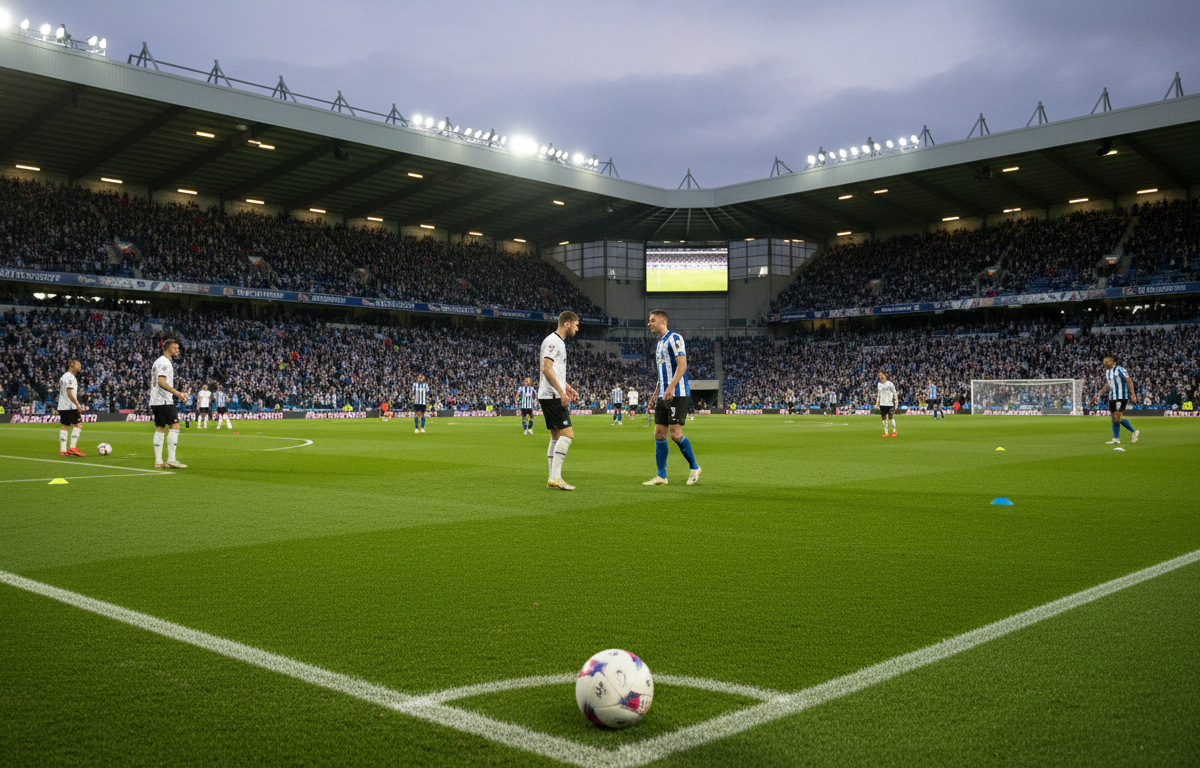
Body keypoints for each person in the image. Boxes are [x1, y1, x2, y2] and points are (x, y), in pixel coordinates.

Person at [644, 310, 701, 486]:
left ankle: (694, 467)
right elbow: (662, 374)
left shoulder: (675, 338)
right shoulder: (660, 343)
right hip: (663, 394)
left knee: (676, 435)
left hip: (677, 393)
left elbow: (682, 366)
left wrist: (671, 387)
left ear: (662, 321)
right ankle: (661, 476)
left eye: (652, 320)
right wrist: (655, 394)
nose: (649, 323)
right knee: (659, 433)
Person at [539, 311, 580, 490]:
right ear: (567, 323)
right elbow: (546, 369)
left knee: (556, 436)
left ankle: (552, 478)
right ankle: (556, 477)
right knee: (567, 435)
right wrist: (561, 393)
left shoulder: (556, 341)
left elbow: (553, 370)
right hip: (553, 396)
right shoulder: (554, 341)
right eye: (576, 325)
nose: (577, 329)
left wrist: (567, 387)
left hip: (549, 394)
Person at [150, 338, 188, 468]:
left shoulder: (158, 361)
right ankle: (171, 459)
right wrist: (177, 393)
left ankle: (159, 461)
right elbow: (161, 381)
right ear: (169, 348)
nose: (178, 350)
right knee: (175, 425)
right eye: (175, 348)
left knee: (160, 427)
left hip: (155, 400)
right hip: (164, 400)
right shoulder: (164, 362)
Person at [1097, 356, 1139, 445]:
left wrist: (1132, 394)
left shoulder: (1120, 370)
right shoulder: (1107, 372)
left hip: (1121, 396)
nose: (1106, 366)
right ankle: (1116, 438)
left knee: (1117, 416)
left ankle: (1134, 431)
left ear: (1112, 362)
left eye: (1107, 364)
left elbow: (1129, 381)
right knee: (1114, 418)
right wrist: (1100, 393)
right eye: (1104, 365)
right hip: (1112, 397)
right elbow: (1108, 384)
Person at [57, 359, 86, 457]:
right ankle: (72, 447)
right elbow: (69, 392)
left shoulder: (63, 377)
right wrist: (77, 404)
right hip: (70, 406)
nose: (80, 367)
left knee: (65, 425)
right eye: (78, 364)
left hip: (62, 405)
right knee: (78, 425)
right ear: (72, 365)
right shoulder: (70, 377)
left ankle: (63, 450)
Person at [877, 371, 897, 437]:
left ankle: (894, 432)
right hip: (882, 403)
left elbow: (894, 393)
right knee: (883, 418)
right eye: (879, 376)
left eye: (881, 375)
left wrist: (896, 402)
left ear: (885, 376)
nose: (880, 377)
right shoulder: (879, 384)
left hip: (889, 403)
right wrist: (877, 401)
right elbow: (879, 394)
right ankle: (886, 432)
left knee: (891, 417)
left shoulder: (890, 384)